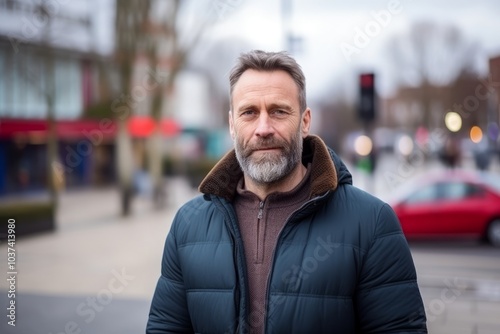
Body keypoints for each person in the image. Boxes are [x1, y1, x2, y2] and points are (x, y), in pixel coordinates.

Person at [147, 50, 427, 333]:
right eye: (249, 112)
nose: (264, 128)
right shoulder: (188, 225)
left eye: (279, 111)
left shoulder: (372, 223)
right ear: (232, 125)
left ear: (305, 122)